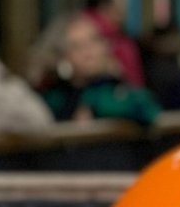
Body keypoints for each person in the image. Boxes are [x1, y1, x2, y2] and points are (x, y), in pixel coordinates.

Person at [28, 12, 160, 125]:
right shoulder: (54, 96)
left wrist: (94, 103)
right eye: (77, 46)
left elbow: (147, 111)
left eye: (94, 41)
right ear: (62, 55)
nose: (89, 52)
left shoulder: (116, 88)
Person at [83, 0, 146, 88]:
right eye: (121, 4)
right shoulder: (91, 31)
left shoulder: (118, 35)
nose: (125, 10)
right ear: (104, 6)